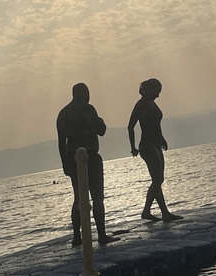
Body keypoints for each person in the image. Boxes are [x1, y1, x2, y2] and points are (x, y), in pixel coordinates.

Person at [57, 83, 118, 247]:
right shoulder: (88, 109)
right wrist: (99, 121)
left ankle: (77, 237)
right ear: (83, 94)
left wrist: (65, 164)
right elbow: (101, 130)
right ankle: (102, 235)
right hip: (89, 156)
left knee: (78, 197)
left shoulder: (63, 114)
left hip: (72, 158)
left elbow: (61, 143)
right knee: (97, 197)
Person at [127, 78, 182, 222]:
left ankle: (146, 211)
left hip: (157, 143)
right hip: (147, 145)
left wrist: (162, 138)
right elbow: (130, 126)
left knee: (159, 179)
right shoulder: (140, 105)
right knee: (157, 179)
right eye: (157, 92)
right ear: (150, 90)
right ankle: (165, 213)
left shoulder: (152, 103)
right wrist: (132, 146)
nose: (158, 95)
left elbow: (155, 124)